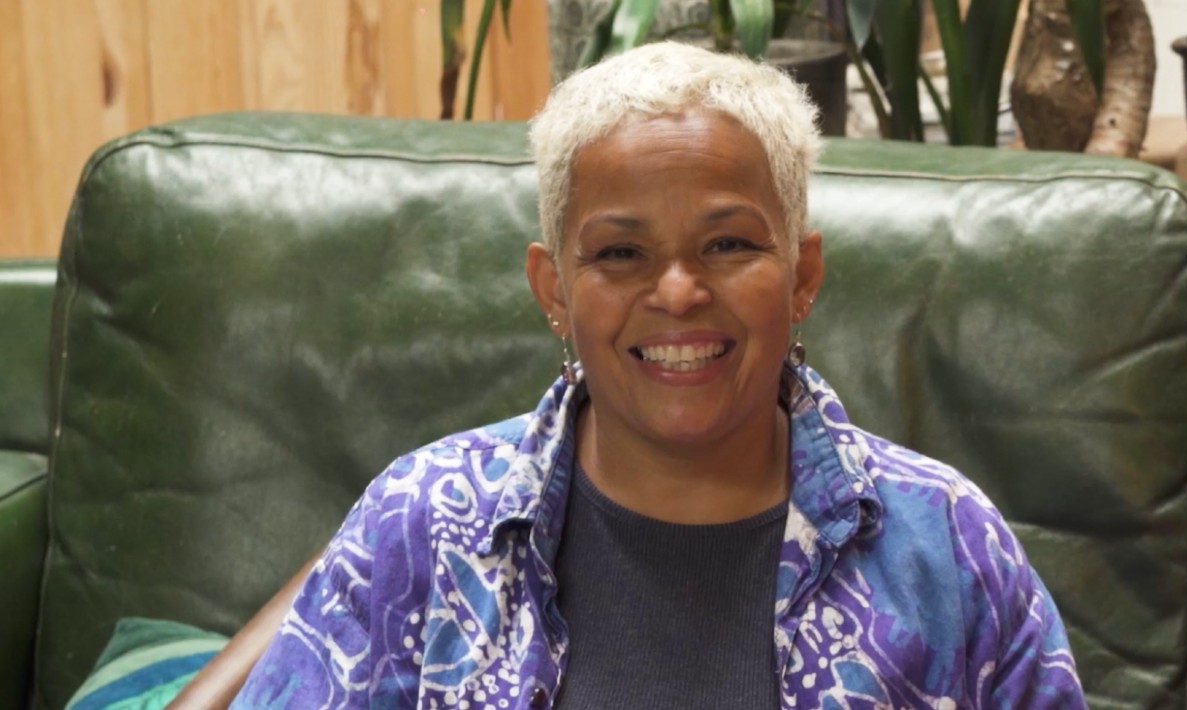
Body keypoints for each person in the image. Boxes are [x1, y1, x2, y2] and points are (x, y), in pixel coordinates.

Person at [232, 42, 1087, 709]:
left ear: (803, 277)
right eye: (620, 253)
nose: (678, 292)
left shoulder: (948, 546)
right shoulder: (419, 527)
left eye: (728, 243)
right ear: (553, 291)